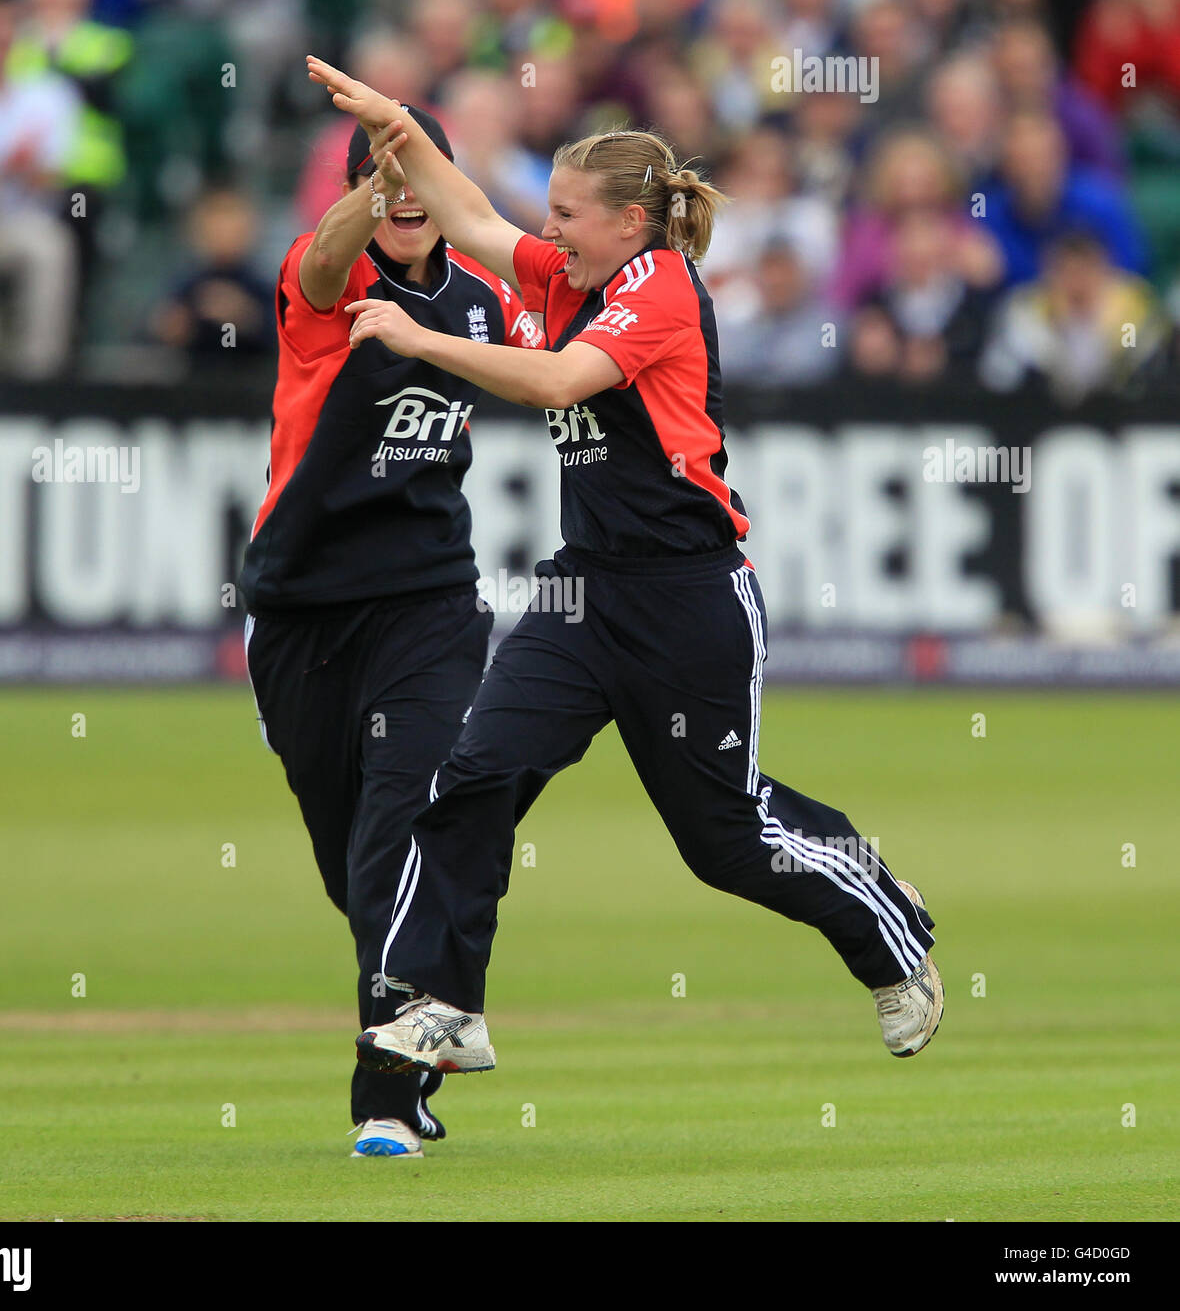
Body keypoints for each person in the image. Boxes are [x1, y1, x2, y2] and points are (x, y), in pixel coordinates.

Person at [305, 57, 945, 1094]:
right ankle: (444, 1005)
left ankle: (886, 926)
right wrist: (396, 127)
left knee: (722, 838)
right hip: (582, 590)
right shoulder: (575, 274)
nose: (546, 230)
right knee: (473, 777)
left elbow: (559, 378)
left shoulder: (660, 288)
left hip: (689, 598)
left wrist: (420, 338)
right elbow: (468, 213)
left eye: (565, 214)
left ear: (630, 223)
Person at [239, 103, 545, 1160]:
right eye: (380, 176)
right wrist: (380, 183)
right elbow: (325, 262)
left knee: (397, 842)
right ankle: (406, 1030)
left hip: (429, 603)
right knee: (353, 873)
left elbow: (567, 342)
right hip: (300, 612)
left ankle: (387, 1093)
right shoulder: (324, 274)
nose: (405, 194)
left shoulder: (485, 298)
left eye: (423, 175)